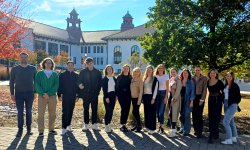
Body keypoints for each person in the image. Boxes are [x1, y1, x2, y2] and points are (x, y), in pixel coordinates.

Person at [9, 52, 37, 137]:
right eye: (22, 57)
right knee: (20, 112)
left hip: (30, 93)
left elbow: (36, 81)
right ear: (19, 58)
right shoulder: (15, 69)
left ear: (28, 58)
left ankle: (29, 129)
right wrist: (12, 94)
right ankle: (20, 130)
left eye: (25, 57)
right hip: (19, 94)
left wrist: (35, 92)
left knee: (29, 111)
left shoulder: (33, 68)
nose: (24, 59)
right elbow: (11, 82)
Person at [35, 57, 59, 137]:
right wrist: (42, 93)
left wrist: (48, 94)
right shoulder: (39, 73)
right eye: (47, 62)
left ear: (52, 64)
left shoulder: (55, 74)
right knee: (41, 114)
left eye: (50, 63)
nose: (48, 64)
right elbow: (36, 84)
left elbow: (56, 85)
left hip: (52, 96)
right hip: (42, 96)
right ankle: (41, 131)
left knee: (52, 114)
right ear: (44, 63)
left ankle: (51, 129)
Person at [78, 57, 102, 131]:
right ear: (86, 64)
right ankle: (86, 124)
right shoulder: (82, 72)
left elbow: (100, 83)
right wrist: (79, 85)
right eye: (88, 63)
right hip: (85, 94)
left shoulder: (97, 72)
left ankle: (94, 124)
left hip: (94, 94)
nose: (89, 64)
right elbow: (78, 81)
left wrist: (97, 92)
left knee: (94, 109)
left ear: (93, 63)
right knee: (86, 109)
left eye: (91, 63)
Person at [58, 61, 79, 135]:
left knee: (70, 111)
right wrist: (59, 95)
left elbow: (78, 87)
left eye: (71, 65)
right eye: (69, 65)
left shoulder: (76, 75)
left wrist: (77, 96)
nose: (70, 66)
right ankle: (64, 128)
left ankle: (69, 125)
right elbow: (59, 85)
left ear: (73, 66)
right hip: (65, 96)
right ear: (67, 66)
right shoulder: (62, 75)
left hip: (73, 96)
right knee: (65, 112)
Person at [221, 72, 241, 145]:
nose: (228, 77)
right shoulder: (226, 85)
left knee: (225, 122)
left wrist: (234, 103)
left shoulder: (235, 86)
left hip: (232, 105)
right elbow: (224, 96)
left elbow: (239, 97)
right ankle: (234, 137)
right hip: (226, 105)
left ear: (232, 77)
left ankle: (228, 139)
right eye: (227, 76)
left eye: (230, 76)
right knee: (231, 121)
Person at [207, 68, 224, 143]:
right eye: (211, 73)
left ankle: (214, 134)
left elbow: (224, 91)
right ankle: (212, 133)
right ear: (209, 74)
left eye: (214, 73)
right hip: (211, 100)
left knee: (216, 117)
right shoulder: (208, 82)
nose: (212, 74)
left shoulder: (219, 82)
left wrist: (224, 101)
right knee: (211, 116)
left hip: (218, 100)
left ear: (216, 74)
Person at [191, 66, 207, 138]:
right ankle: (195, 130)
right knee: (194, 114)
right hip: (193, 98)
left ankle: (200, 132)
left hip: (200, 97)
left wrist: (202, 99)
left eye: (198, 70)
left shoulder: (204, 78)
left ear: (200, 71)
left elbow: (204, 90)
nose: (197, 71)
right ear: (194, 71)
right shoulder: (192, 78)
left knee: (199, 115)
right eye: (196, 70)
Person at [115, 64, 132, 132]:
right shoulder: (119, 77)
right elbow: (116, 87)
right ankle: (122, 125)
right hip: (121, 96)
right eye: (124, 68)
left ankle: (124, 124)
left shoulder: (130, 77)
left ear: (129, 69)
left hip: (128, 96)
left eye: (127, 68)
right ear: (122, 69)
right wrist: (116, 95)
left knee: (127, 109)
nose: (126, 69)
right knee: (123, 109)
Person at [142, 65, 159, 134]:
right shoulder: (145, 78)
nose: (149, 71)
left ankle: (152, 129)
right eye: (148, 69)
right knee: (146, 112)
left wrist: (153, 98)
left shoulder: (155, 79)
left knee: (152, 113)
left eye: (150, 69)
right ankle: (147, 126)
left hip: (152, 97)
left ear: (152, 71)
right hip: (145, 97)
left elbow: (156, 89)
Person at [179, 68, 195, 136]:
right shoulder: (180, 81)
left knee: (187, 115)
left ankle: (187, 130)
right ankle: (182, 128)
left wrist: (191, 101)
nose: (185, 74)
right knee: (181, 115)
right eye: (184, 73)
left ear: (188, 74)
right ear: (182, 74)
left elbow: (192, 92)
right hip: (180, 100)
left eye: (186, 73)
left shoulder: (190, 82)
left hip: (187, 100)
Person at [166, 68, 182, 137]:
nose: (173, 73)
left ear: (176, 73)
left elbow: (178, 90)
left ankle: (173, 131)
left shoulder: (178, 80)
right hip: (170, 98)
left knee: (174, 114)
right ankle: (173, 128)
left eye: (174, 72)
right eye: (171, 72)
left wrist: (174, 98)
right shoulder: (171, 80)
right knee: (170, 114)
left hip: (175, 98)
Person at [102, 65, 117, 133]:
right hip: (107, 96)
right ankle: (106, 125)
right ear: (106, 70)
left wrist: (116, 96)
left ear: (112, 70)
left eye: (110, 69)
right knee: (108, 111)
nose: (109, 70)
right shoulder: (104, 79)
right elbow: (104, 89)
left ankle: (109, 124)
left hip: (113, 96)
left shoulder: (114, 78)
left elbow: (116, 88)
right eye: (108, 69)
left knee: (111, 111)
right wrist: (106, 97)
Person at [155, 64, 169, 134]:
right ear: (157, 69)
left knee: (161, 112)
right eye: (159, 68)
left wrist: (166, 97)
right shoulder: (155, 76)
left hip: (163, 94)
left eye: (161, 68)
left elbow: (167, 88)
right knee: (157, 112)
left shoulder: (166, 76)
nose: (160, 69)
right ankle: (159, 127)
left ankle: (162, 128)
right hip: (157, 94)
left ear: (163, 69)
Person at [130, 67, 143, 132]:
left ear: (139, 73)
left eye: (137, 71)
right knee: (135, 112)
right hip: (133, 98)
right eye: (135, 71)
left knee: (135, 112)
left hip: (138, 98)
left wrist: (139, 101)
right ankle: (137, 125)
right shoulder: (132, 80)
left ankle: (139, 126)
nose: (136, 73)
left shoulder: (140, 80)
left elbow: (141, 91)